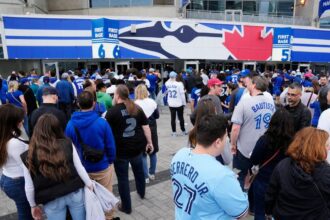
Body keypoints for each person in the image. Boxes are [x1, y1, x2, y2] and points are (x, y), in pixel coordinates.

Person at [171, 115, 248, 219]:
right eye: (226, 137)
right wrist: (239, 186)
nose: (227, 141)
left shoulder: (179, 155)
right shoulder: (221, 175)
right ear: (217, 142)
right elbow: (241, 213)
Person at [21, 114, 93, 220]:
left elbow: (29, 186)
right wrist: (89, 184)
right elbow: (80, 168)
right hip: (74, 192)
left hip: (51, 199)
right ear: (57, 128)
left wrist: (33, 205)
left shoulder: (28, 155)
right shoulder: (67, 143)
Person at [65, 91, 117, 220]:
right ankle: (108, 217)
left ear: (78, 104)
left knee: (86, 198)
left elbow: (68, 148)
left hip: (82, 169)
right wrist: (110, 161)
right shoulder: (102, 122)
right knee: (107, 194)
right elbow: (110, 145)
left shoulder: (70, 125)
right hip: (102, 166)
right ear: (94, 104)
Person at [105, 84, 153, 214]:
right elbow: (146, 127)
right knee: (139, 172)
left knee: (123, 179)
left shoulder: (112, 112)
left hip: (120, 151)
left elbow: (106, 133)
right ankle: (141, 192)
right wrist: (150, 142)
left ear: (118, 95)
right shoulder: (136, 108)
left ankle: (126, 206)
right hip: (137, 148)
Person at [265, 127, 330, 219]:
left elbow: (271, 194)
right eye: (326, 145)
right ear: (317, 148)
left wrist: (268, 212)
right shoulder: (327, 173)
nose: (329, 148)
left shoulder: (283, 165)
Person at [231, 75, 275, 189]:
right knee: (257, 177)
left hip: (244, 148)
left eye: (250, 83)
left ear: (254, 85)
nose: (248, 85)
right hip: (263, 147)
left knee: (239, 175)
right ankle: (253, 202)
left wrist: (233, 144)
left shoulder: (244, 103)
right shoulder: (271, 102)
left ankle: (239, 203)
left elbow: (235, 129)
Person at [250, 107, 294, 219]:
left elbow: (254, 159)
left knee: (259, 211)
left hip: (263, 179)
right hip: (283, 182)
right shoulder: (293, 143)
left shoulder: (264, 140)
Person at [0, 104, 33, 220]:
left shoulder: (5, 136)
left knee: (23, 208)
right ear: (11, 122)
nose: (22, 121)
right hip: (18, 182)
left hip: (7, 177)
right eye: (19, 119)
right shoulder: (15, 143)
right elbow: (27, 168)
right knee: (25, 212)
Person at [134, 84, 160, 184]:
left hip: (140, 130)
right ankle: (152, 173)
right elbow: (157, 116)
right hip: (152, 128)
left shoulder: (134, 104)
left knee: (142, 154)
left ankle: (145, 177)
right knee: (153, 152)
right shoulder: (152, 102)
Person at [165, 71, 187, 136]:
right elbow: (182, 95)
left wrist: (171, 77)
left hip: (171, 103)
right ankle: (183, 131)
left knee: (173, 118)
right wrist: (184, 103)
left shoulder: (167, 83)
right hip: (179, 103)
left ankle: (174, 132)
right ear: (176, 76)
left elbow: (168, 80)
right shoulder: (179, 84)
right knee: (181, 118)